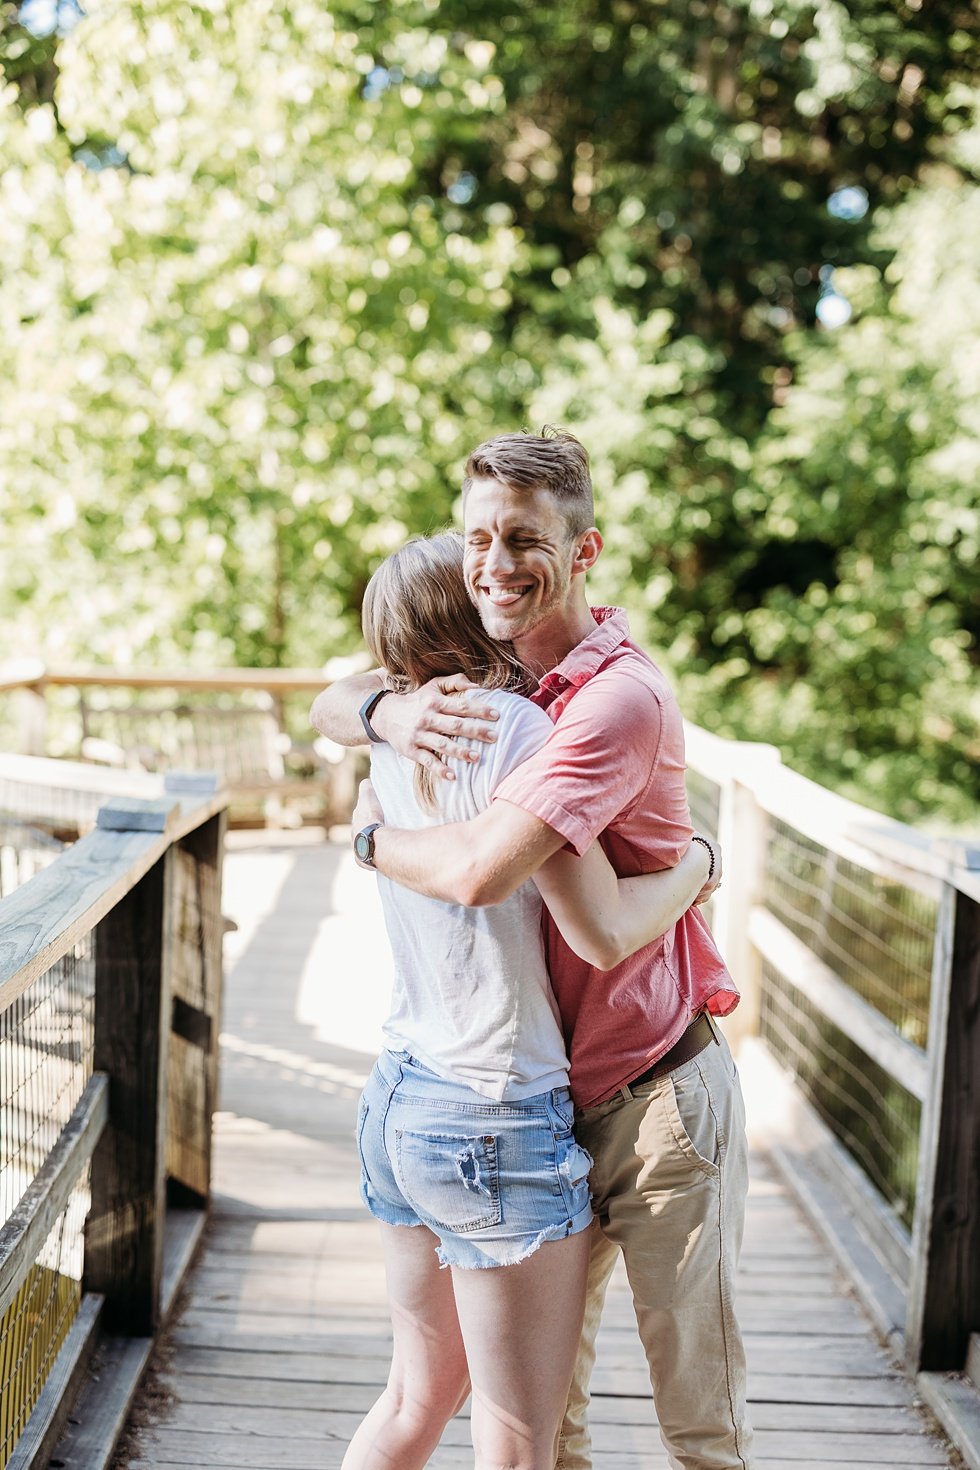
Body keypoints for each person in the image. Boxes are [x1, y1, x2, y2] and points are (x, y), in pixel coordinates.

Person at [313, 428, 754, 1470]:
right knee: (545, 1425)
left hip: (650, 1103)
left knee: (695, 1417)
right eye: (475, 539)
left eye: (520, 541)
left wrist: (696, 866)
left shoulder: (604, 705)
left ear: (584, 550)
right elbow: (333, 695)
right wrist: (383, 708)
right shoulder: (490, 665)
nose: (493, 565)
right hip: (532, 1104)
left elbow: (553, 907)